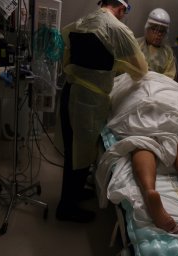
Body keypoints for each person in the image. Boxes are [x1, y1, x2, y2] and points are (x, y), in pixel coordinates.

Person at [57, 0, 148, 223]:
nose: (124, 17)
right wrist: (116, 64)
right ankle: (66, 208)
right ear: (120, 8)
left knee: (75, 151)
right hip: (88, 101)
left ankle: (75, 193)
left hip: (70, 92)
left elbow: (65, 50)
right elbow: (141, 70)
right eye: (125, 13)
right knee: (80, 153)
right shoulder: (117, 29)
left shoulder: (81, 22)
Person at [136, 8, 176, 79]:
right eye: (154, 29)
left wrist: (155, 79)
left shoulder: (167, 53)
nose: (158, 34)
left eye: (162, 31)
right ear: (147, 29)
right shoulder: (136, 45)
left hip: (157, 87)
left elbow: (170, 76)